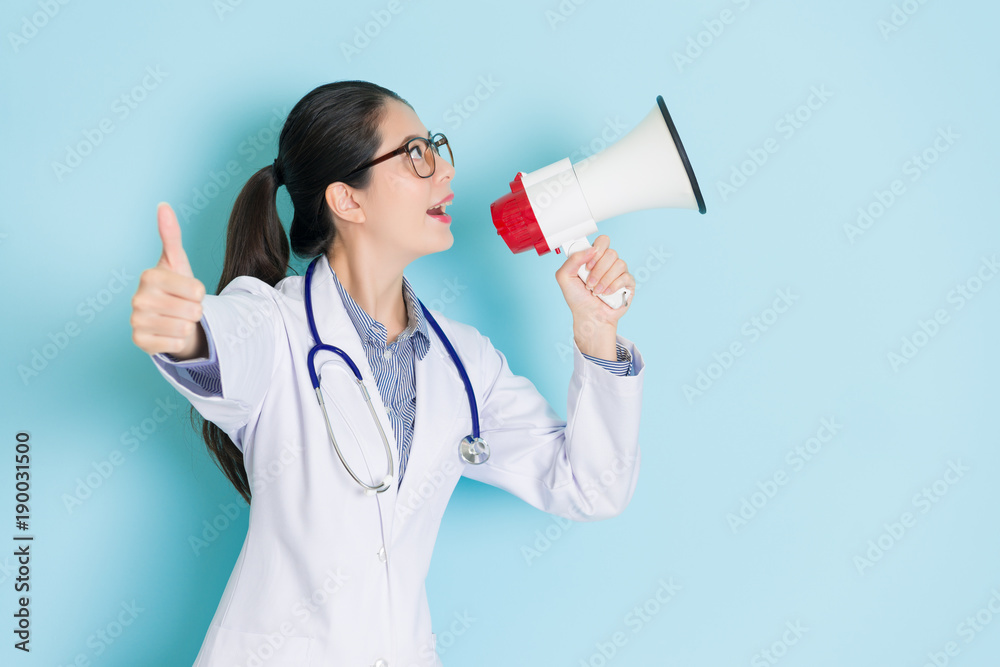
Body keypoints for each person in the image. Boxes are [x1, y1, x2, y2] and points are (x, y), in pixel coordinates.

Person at [130, 80, 645, 667]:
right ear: (348, 200)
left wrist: (596, 334)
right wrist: (179, 327)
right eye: (417, 154)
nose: (445, 172)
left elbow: (592, 487)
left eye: (437, 149)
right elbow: (215, 343)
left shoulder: (465, 361)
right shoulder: (274, 323)